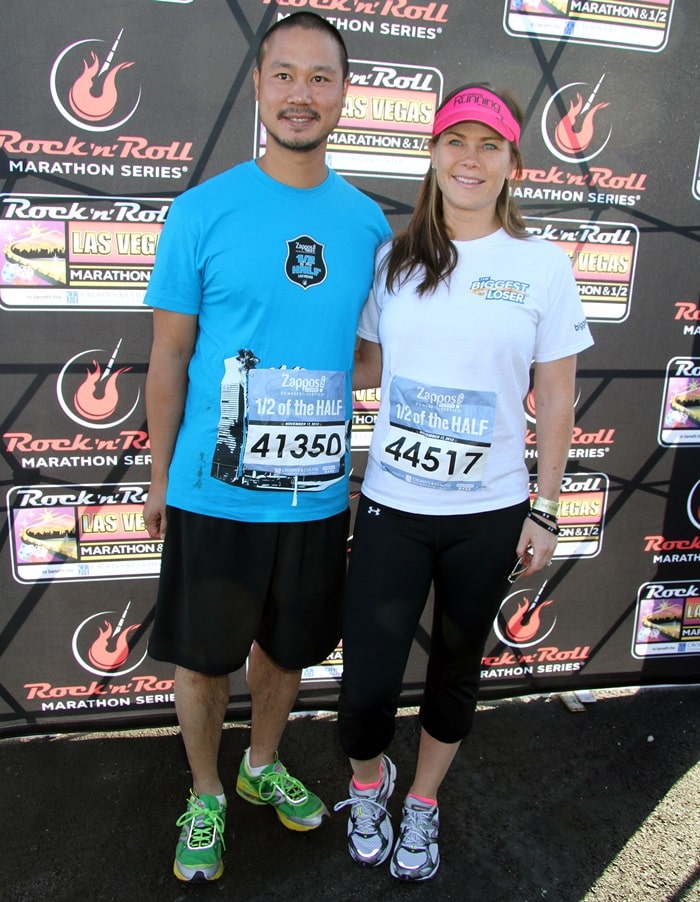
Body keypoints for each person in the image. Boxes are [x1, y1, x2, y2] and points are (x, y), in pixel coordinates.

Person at [142, 12, 391, 883]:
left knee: (286, 653)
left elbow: (369, 353)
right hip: (216, 493)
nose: (301, 94)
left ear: (343, 94)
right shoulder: (202, 211)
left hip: (316, 496)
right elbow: (170, 354)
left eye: (320, 78)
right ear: (257, 85)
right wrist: (157, 474)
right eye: (284, 75)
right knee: (206, 659)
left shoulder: (368, 226)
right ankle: (206, 789)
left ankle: (260, 767)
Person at [334, 83, 594, 882]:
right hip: (393, 507)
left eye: (489, 145)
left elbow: (554, 396)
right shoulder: (394, 256)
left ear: (514, 163)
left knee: (455, 672)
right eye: (456, 141)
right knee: (368, 683)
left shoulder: (542, 265)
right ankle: (369, 784)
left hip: (491, 513)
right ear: (433, 154)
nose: (470, 159)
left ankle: (423, 804)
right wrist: (277, 361)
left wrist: (546, 509)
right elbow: (368, 364)